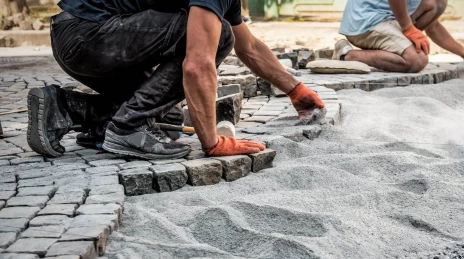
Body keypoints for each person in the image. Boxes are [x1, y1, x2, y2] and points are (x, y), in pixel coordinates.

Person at [28, 0, 325, 159]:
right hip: (92, 37)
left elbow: (250, 48)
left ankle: (66, 108)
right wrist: (213, 143)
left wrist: (295, 90)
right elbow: (197, 64)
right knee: (219, 34)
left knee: (166, 117)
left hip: (74, 38)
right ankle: (127, 128)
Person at [334, 0, 464, 73]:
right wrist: (408, 28)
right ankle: (346, 55)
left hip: (387, 19)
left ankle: (398, 49)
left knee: (436, 3)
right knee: (416, 60)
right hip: (365, 21)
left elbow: (433, 26)